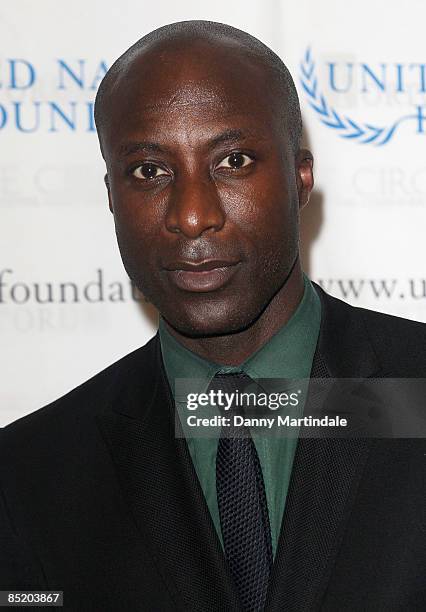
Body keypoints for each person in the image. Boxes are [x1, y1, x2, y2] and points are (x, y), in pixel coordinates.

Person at [1, 20, 425, 612]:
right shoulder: (28, 476)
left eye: (233, 160)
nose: (192, 215)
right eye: (150, 171)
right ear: (110, 195)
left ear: (301, 178)